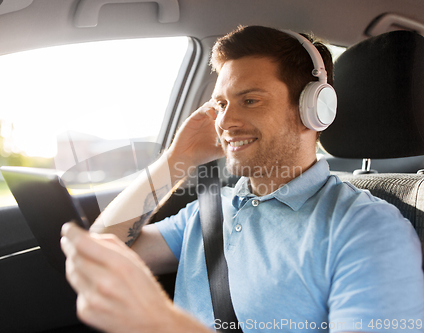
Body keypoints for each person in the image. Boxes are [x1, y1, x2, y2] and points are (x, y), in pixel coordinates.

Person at [60, 26, 424, 332]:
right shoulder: (210, 211)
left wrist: (161, 322)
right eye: (221, 105)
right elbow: (102, 249)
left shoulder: (367, 230)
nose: (225, 121)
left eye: (250, 101)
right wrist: (176, 160)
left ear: (313, 109)